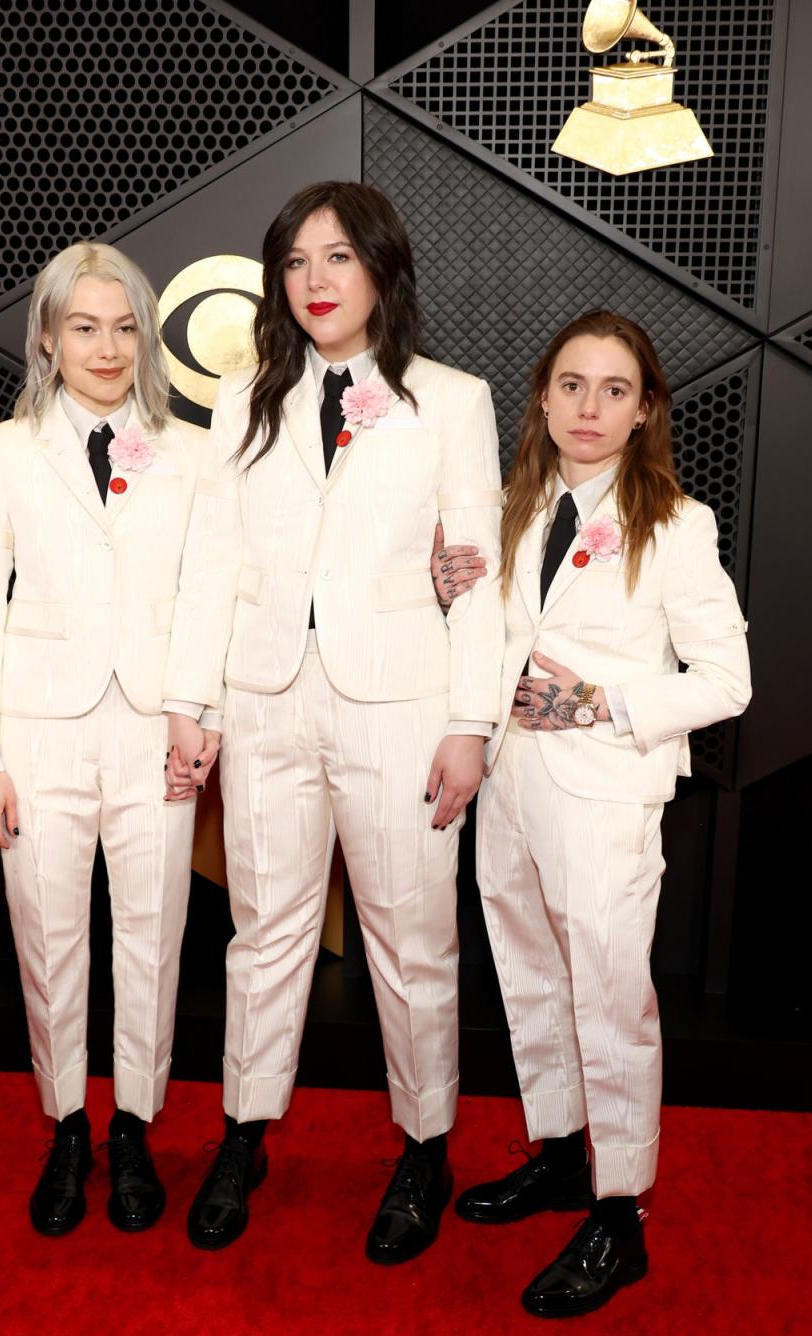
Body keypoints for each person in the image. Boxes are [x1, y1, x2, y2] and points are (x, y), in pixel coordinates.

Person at [163, 180, 505, 1264]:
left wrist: (471, 723)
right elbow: (210, 562)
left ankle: (424, 1146)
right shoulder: (242, 396)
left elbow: (480, 579)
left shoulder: (452, 401)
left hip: (402, 704)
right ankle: (245, 1131)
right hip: (266, 702)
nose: (316, 281)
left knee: (412, 939)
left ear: (382, 270)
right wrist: (193, 703)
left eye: (339, 258)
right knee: (265, 933)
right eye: (297, 262)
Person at [435, 311, 751, 1316]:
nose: (590, 406)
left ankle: (622, 1220)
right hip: (515, 787)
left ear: (646, 408)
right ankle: (565, 1157)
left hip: (608, 794)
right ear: (541, 394)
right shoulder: (511, 506)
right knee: (532, 984)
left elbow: (727, 680)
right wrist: (441, 588)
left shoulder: (677, 523)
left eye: (615, 390)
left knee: (612, 1004)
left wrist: (605, 704)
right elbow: (486, 630)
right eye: (572, 384)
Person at [0, 242, 214, 1236]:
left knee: (153, 937)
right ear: (49, 339)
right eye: (83, 326)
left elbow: (207, 600)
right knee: (49, 939)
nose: (107, 347)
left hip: (157, 734)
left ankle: (134, 1126)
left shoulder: (192, 453)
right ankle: (66, 1125)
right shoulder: (2, 451)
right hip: (38, 736)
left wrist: (202, 714)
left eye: (124, 325)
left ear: (146, 335)